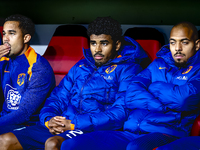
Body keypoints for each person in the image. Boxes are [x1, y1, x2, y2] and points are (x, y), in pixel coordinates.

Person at [0, 17, 150, 150]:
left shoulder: (129, 69)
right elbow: (57, 98)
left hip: (92, 128)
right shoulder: (81, 66)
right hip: (65, 124)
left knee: (53, 144)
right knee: (5, 140)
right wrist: (49, 119)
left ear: (116, 45)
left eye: (104, 43)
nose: (97, 50)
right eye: (93, 43)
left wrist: (74, 124)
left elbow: (120, 113)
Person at [56, 21, 200, 150]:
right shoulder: (158, 63)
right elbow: (131, 93)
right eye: (173, 42)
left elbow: (183, 100)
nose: (178, 48)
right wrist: (162, 105)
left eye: (184, 42)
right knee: (71, 145)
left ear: (197, 44)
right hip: (130, 130)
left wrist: (153, 87)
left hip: (167, 131)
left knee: (135, 147)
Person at [0, 14, 55, 134]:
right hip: (6, 119)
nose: (5, 39)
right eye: (4, 33)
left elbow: (24, 114)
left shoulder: (38, 67)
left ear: (26, 38)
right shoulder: (4, 60)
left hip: (29, 125)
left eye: (12, 33)